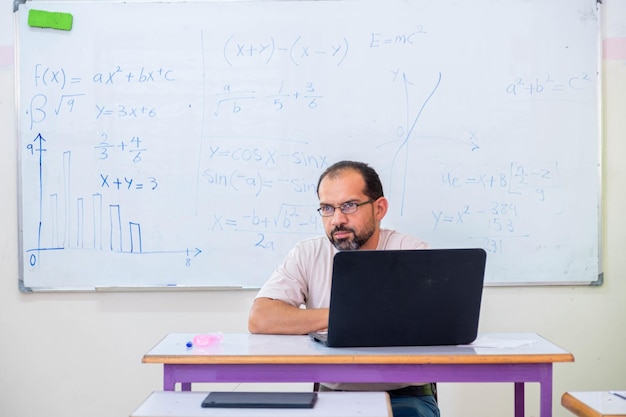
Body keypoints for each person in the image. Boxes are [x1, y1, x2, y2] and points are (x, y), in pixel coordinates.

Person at [248, 160, 440, 417]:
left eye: (349, 206)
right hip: (333, 397)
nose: (337, 219)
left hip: (406, 397)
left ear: (379, 208)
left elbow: (434, 326)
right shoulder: (308, 253)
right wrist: (342, 316)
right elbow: (261, 317)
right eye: (327, 208)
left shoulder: (412, 253)